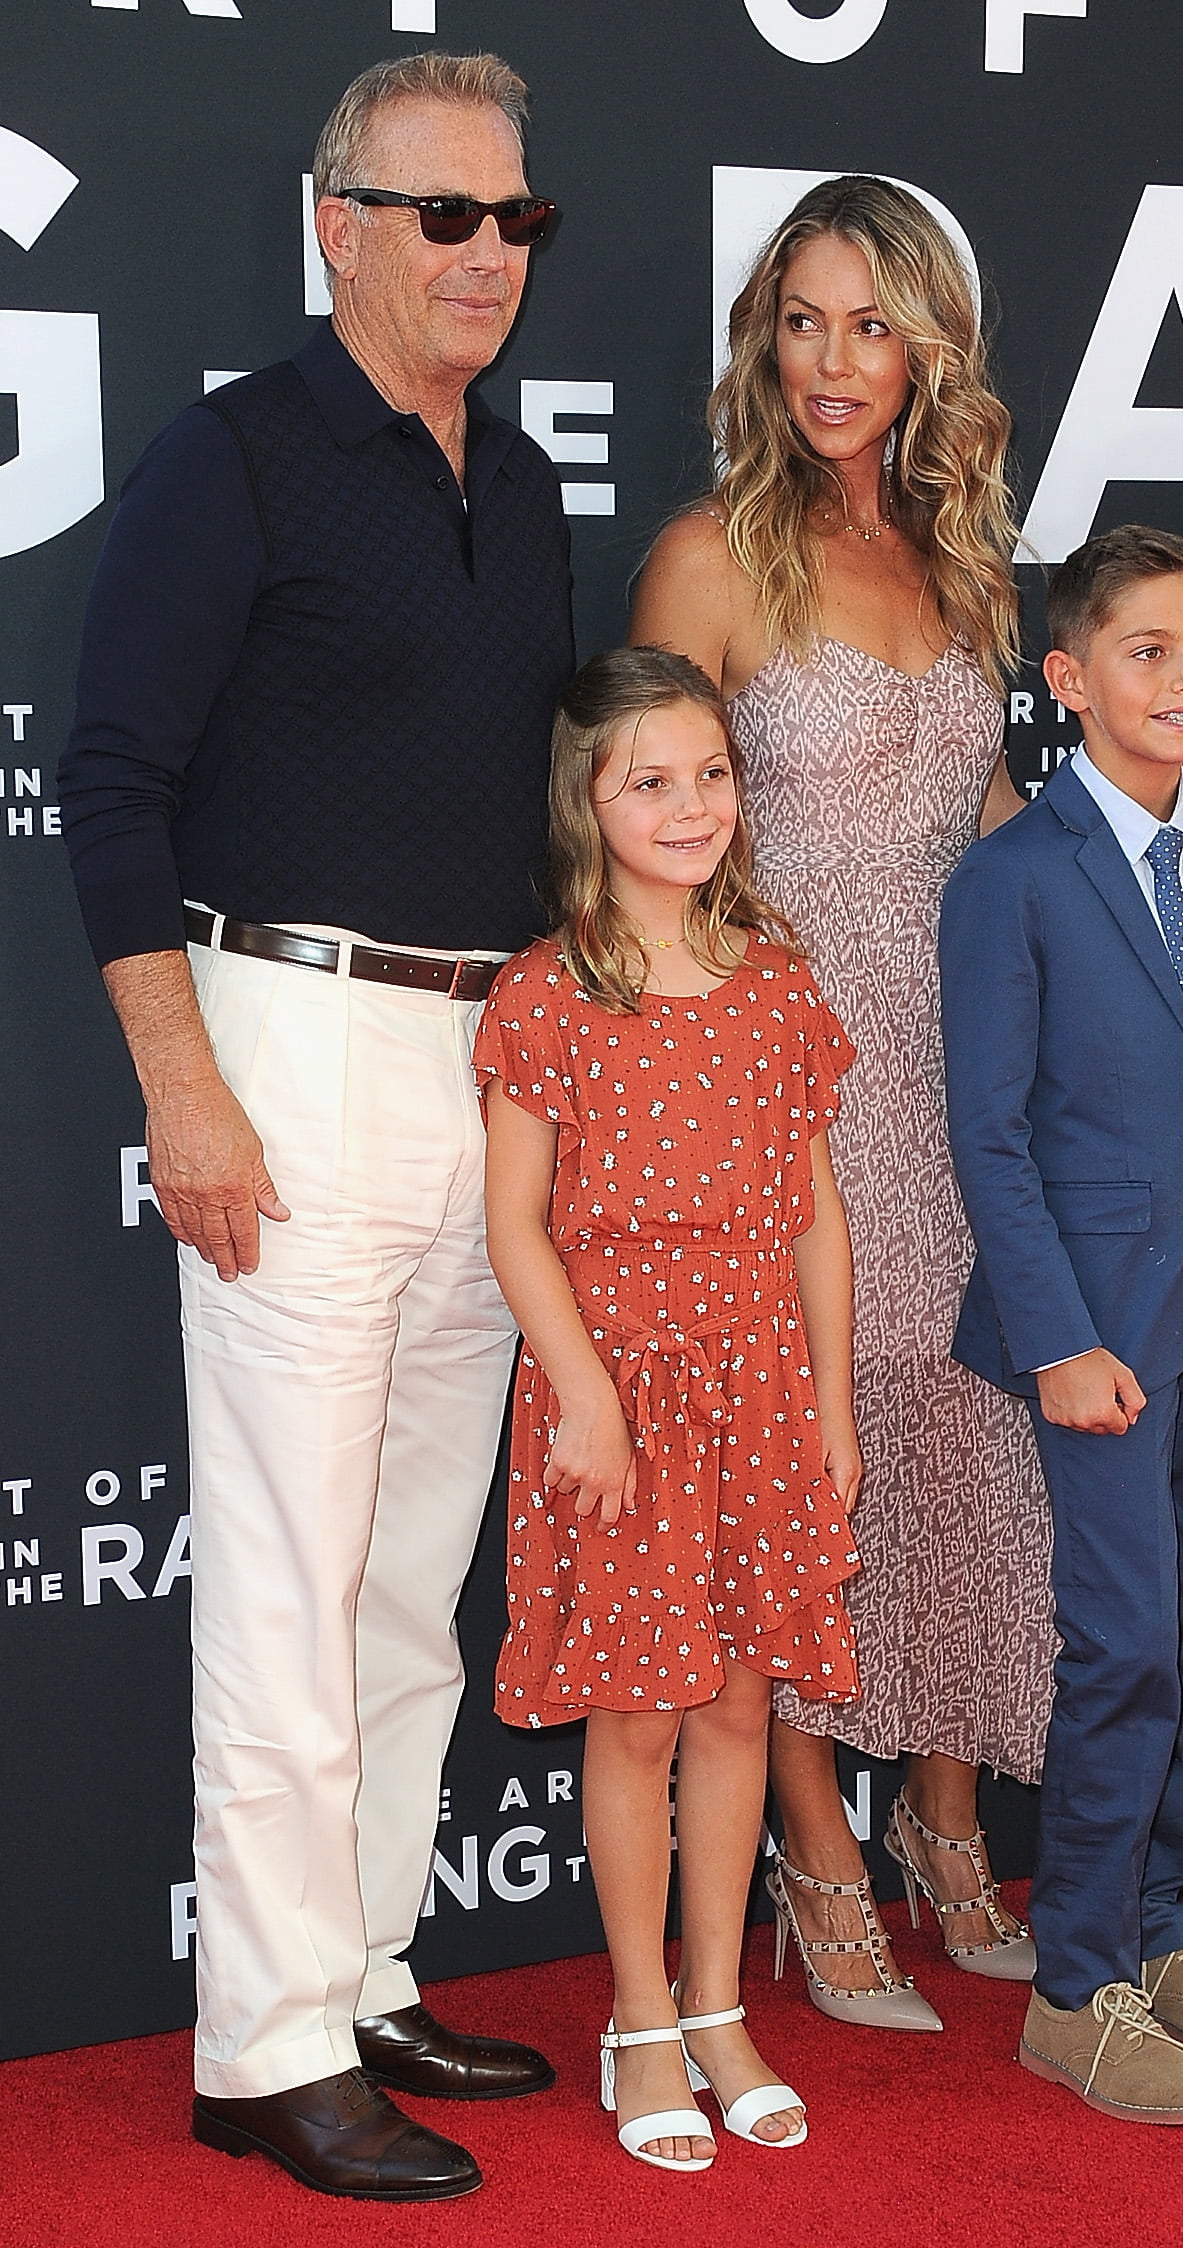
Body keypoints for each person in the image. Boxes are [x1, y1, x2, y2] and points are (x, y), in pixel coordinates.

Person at [56, 54, 571, 2202]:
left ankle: (359, 1966)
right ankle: (259, 2043)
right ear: (333, 223)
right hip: (285, 1037)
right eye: (436, 214)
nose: (481, 257)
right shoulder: (233, 455)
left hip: (479, 1068)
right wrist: (187, 1087)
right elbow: (108, 782)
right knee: (281, 1579)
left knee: (402, 1588)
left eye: (511, 221)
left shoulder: (522, 478)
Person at [631, 175, 1049, 2033]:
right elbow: (640, 844)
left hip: (961, 1068)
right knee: (807, 1469)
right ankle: (815, 1850)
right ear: (760, 340)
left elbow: (988, 832)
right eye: (800, 319)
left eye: (871, 324)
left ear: (928, 349)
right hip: (788, 1085)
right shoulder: (712, 556)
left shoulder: (965, 562)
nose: (832, 360)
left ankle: (946, 1827)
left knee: (966, 1447)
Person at [940, 527, 1183, 2124]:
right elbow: (992, 1132)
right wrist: (1056, 1336)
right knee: (1116, 1652)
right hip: (1091, 1334)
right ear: (1072, 678)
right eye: (1150, 651)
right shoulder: (1013, 875)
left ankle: (1160, 1936)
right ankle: (1075, 1985)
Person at [475, 647, 862, 2170]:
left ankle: (718, 2006)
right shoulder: (545, 991)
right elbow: (517, 1225)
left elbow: (818, 1217)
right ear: (589, 800)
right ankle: (637, 2016)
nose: (689, 804)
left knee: (739, 1702)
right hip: (616, 1397)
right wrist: (583, 1397)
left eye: (712, 773)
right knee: (635, 1713)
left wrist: (830, 1404)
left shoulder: (779, 983)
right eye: (650, 780)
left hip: (762, 1392)